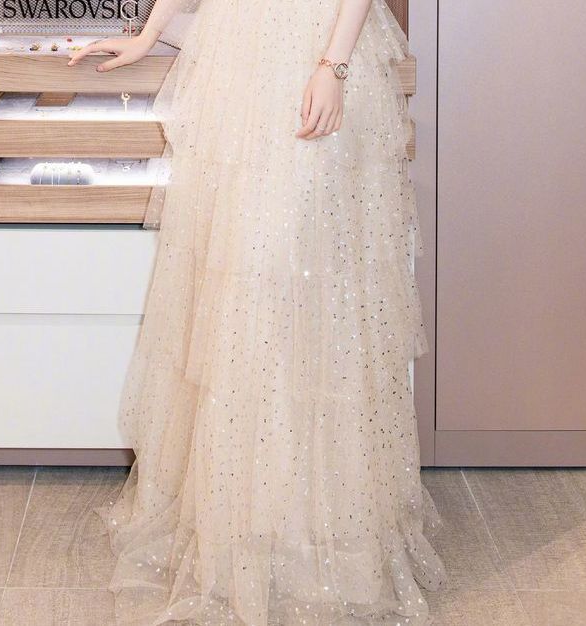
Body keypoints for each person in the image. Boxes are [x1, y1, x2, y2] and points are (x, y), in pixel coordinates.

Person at [69, 0, 447, 623]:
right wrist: (150, 31)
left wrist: (333, 66)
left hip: (315, 48)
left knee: (309, 286)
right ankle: (245, 526)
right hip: (241, 57)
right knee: (241, 293)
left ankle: (319, 530)